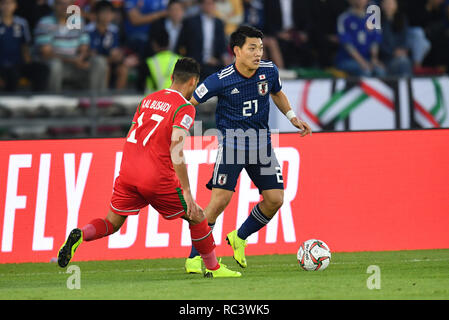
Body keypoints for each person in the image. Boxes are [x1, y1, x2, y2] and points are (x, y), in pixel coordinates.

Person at [57, 57, 241, 279]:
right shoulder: (184, 108)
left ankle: (80, 234)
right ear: (193, 82)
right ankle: (214, 269)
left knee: (112, 222)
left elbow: (132, 134)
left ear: (172, 77)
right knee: (198, 216)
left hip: (128, 171)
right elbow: (176, 148)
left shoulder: (148, 99)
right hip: (156, 176)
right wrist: (186, 191)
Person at [184, 25, 312, 273]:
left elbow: (277, 93)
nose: (258, 53)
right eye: (252, 48)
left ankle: (239, 237)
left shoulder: (269, 70)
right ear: (236, 51)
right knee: (219, 201)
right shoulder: (219, 80)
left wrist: (292, 117)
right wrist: (179, 126)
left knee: (275, 199)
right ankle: (194, 256)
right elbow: (190, 102)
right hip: (232, 143)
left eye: (261, 48)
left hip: (261, 144)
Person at [34, 0, 107, 92]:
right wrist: (73, 60)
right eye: (61, 3)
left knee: (99, 61)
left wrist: (81, 58)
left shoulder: (77, 21)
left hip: (75, 65)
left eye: (68, 4)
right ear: (54, 5)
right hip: (55, 64)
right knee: (55, 65)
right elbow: (46, 53)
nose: (65, 7)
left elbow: (84, 47)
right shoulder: (45, 22)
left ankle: (96, 100)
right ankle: (53, 102)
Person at [176, 0, 231, 80]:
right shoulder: (190, 22)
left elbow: (222, 46)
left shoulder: (219, 23)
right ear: (201, 5)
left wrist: (224, 57)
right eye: (207, 3)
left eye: (212, 3)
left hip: (214, 65)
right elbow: (181, 44)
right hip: (195, 65)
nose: (210, 6)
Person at [0, 0, 48, 91]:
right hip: (2, 65)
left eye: (10, 3)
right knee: (11, 74)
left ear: (15, 5)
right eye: (3, 3)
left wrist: (28, 61)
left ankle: (38, 98)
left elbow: (25, 45)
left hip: (18, 63)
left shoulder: (22, 23)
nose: (7, 6)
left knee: (42, 69)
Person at [335, 0, 385, 77]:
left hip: (368, 59)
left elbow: (375, 41)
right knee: (366, 71)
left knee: (380, 71)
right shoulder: (344, 18)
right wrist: (362, 62)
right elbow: (347, 45)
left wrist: (374, 59)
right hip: (347, 60)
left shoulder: (372, 18)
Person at [87, 0, 129, 90]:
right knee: (104, 66)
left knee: (123, 69)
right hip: (93, 62)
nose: (107, 16)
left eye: (110, 13)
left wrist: (119, 56)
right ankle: (102, 97)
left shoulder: (114, 30)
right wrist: (110, 58)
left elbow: (115, 52)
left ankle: (118, 99)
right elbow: (91, 53)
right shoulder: (89, 30)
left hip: (109, 61)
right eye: (104, 13)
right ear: (97, 14)